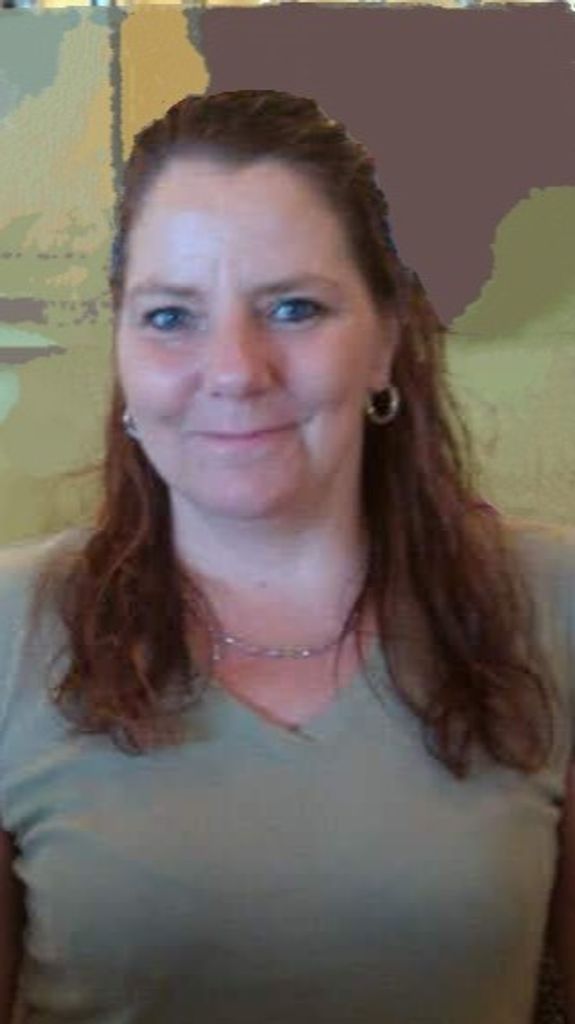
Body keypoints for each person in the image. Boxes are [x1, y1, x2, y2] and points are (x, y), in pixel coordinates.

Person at [0, 88, 573, 1024]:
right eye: (170, 316)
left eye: (295, 308)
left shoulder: (553, 604)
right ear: (122, 349)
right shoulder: (11, 625)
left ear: (386, 340)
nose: (234, 369)